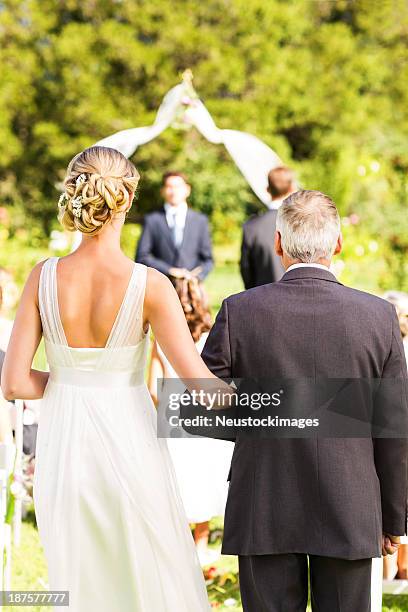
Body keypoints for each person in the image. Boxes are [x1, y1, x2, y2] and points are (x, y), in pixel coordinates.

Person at [0, 146, 223, 611]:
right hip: (130, 440)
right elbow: (201, 388)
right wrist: (286, 398)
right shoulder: (150, 285)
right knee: (146, 573)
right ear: (126, 198)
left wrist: (71, 384)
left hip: (64, 447)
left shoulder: (42, 277)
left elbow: (15, 383)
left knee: (82, 578)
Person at [202, 190, 408, 611]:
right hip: (350, 505)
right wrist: (393, 518)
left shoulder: (239, 310)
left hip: (264, 499)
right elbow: (395, 429)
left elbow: (202, 407)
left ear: (278, 243)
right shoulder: (378, 316)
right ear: (338, 244)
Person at [148, 275, 234, 566]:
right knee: (205, 485)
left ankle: (179, 557)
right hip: (208, 428)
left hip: (174, 423)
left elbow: (152, 386)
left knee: (178, 490)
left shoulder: (162, 339)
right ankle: (201, 553)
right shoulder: (214, 338)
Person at [136, 171, 213, 282]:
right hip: (160, 287)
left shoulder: (200, 220)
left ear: (187, 190)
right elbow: (142, 256)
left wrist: (196, 277)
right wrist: (169, 270)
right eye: (169, 187)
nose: (174, 191)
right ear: (162, 191)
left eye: (178, 187)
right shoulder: (152, 220)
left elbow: (208, 260)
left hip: (190, 291)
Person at [240, 166, 296, 289]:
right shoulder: (301, 223)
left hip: (261, 299)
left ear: (267, 189)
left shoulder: (251, 227)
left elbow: (246, 270)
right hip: (299, 297)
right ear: (292, 188)